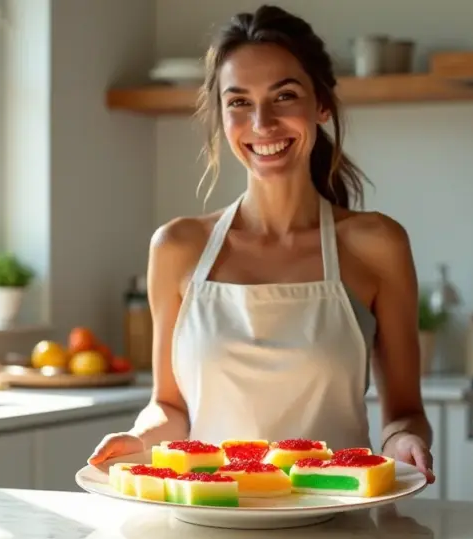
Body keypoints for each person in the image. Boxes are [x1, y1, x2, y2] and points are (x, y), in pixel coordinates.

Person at [88, 4, 435, 483]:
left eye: (284, 96)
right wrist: (139, 438)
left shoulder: (377, 245)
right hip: (209, 510)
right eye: (239, 102)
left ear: (322, 104)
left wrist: (404, 442)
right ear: (221, 114)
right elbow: (169, 406)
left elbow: (404, 414)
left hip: (333, 513)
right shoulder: (176, 247)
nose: (262, 123)